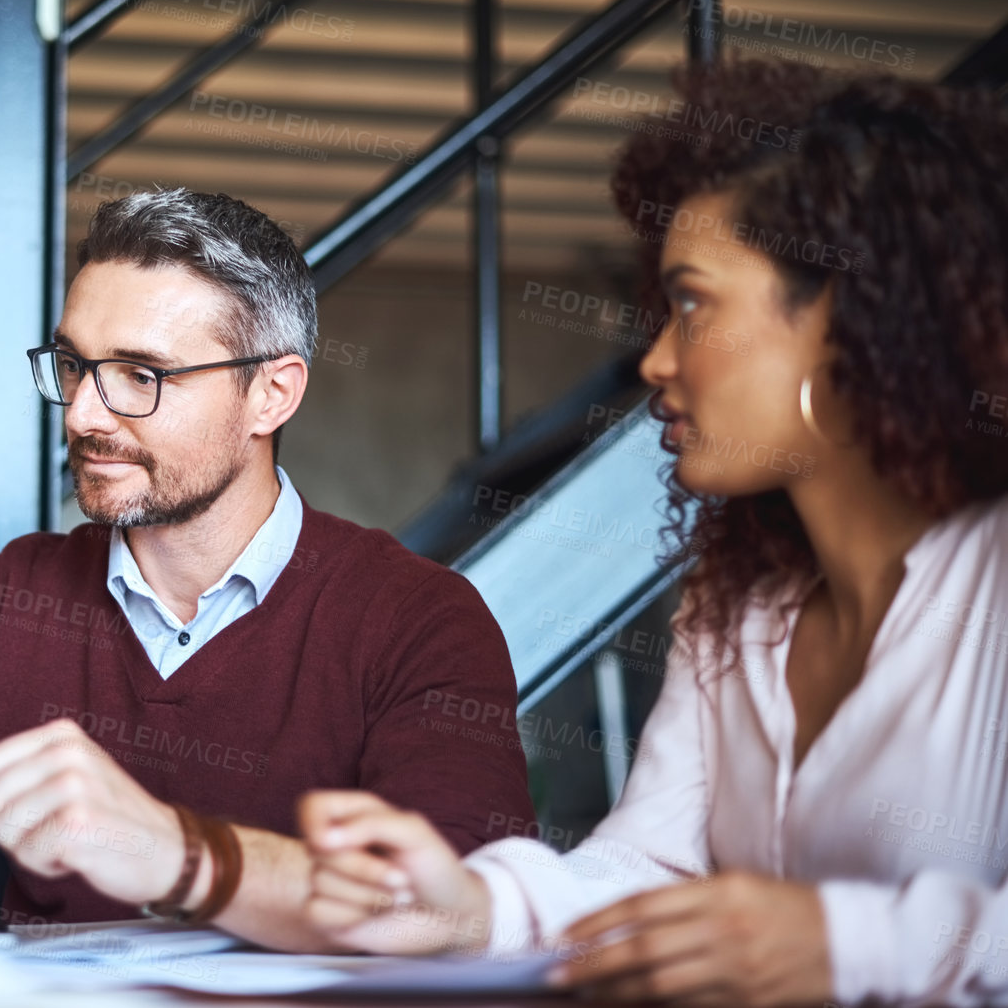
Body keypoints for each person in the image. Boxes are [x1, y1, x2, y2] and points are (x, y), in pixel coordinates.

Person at [296, 60, 1008, 1006]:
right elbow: (646, 864)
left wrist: (848, 943)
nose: (655, 360)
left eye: (692, 305)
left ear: (847, 319)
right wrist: (464, 901)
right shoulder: (735, 602)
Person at [0, 188, 534, 949]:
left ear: (271, 395)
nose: (87, 414)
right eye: (74, 366)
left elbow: (458, 911)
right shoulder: (5, 603)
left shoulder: (419, 622)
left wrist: (173, 850)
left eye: (141, 375)